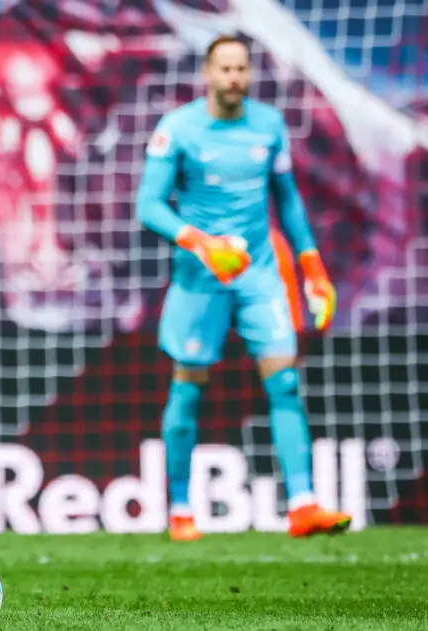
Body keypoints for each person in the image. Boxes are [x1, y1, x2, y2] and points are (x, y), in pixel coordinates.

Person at [135, 35, 350, 541]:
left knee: (285, 381)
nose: (233, 77)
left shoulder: (269, 126)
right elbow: (149, 206)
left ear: (250, 74)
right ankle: (181, 509)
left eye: (241, 69)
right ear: (208, 73)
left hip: (259, 275)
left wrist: (313, 267)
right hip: (200, 278)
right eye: (224, 68)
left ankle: (303, 506)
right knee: (188, 386)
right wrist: (202, 243)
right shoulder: (178, 129)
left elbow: (288, 201)